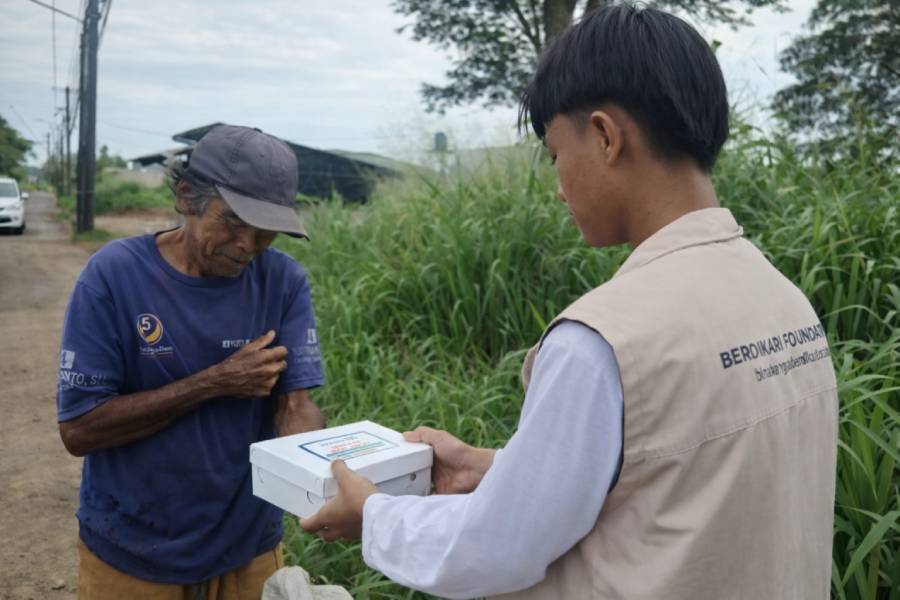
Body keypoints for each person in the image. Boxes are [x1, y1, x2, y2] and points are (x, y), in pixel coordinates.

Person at [299, 5, 838, 599]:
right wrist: (497, 468)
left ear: (606, 136)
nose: (557, 187)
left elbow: (494, 550)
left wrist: (373, 517)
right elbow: (671, 482)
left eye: (556, 154)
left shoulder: (603, 342)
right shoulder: (784, 301)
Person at [56, 125, 327, 599]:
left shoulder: (282, 281)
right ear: (187, 197)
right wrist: (215, 382)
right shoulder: (114, 276)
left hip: (249, 546)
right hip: (133, 549)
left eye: (266, 232)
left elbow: (294, 406)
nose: (249, 245)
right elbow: (80, 431)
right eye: (234, 222)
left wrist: (325, 478)